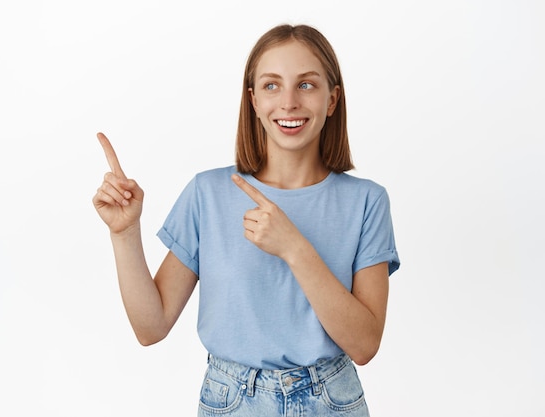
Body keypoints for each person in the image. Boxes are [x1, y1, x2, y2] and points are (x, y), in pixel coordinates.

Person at [93, 23, 400, 417]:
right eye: (272, 85)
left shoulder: (367, 202)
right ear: (253, 101)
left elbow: (365, 345)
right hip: (232, 402)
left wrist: (294, 248)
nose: (288, 102)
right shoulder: (208, 193)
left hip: (332, 401)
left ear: (332, 99)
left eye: (306, 85)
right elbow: (150, 329)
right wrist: (125, 233)